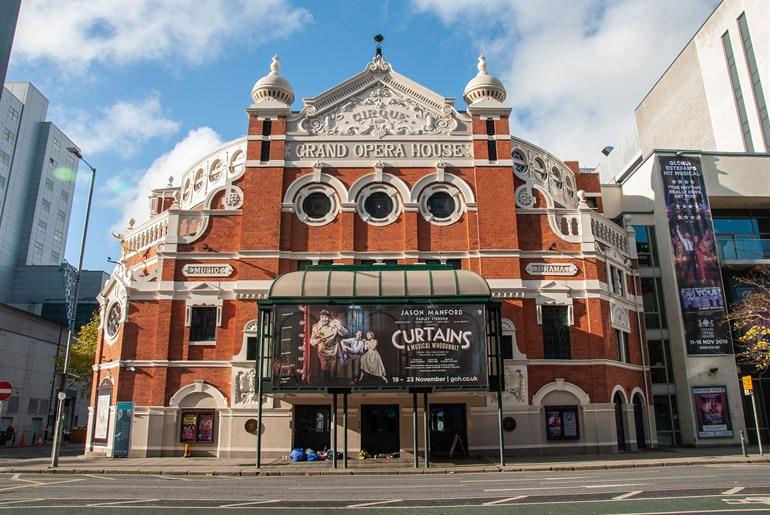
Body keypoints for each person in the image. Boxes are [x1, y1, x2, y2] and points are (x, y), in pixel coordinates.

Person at [309, 310, 348, 382]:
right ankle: (325, 384)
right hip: (323, 350)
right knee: (324, 369)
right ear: (320, 318)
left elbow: (345, 333)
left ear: (328, 317)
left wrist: (339, 326)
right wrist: (317, 341)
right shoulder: (316, 327)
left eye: (326, 317)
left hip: (334, 350)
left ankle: (334, 385)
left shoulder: (334, 324)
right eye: (322, 317)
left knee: (334, 371)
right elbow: (312, 340)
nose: (324, 319)